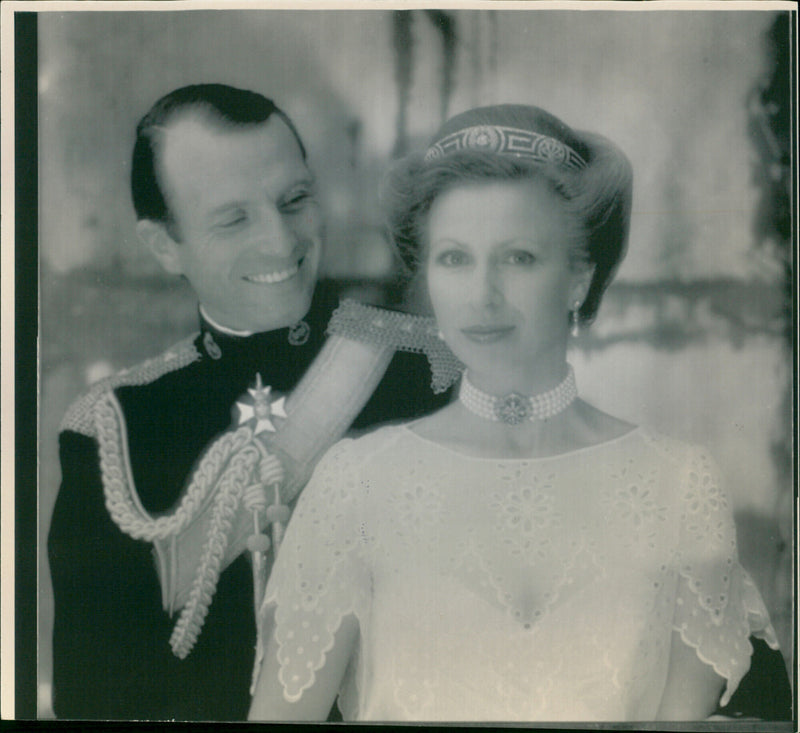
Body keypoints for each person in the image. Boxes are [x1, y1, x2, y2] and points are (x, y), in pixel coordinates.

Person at [249, 104, 789, 722]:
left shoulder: (679, 485)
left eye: (519, 258)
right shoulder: (356, 482)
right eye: (454, 258)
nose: (482, 296)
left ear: (578, 279)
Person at [47, 84, 451, 721]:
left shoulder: (430, 372)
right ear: (164, 246)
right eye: (233, 219)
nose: (281, 241)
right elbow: (97, 702)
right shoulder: (114, 432)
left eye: (294, 200)